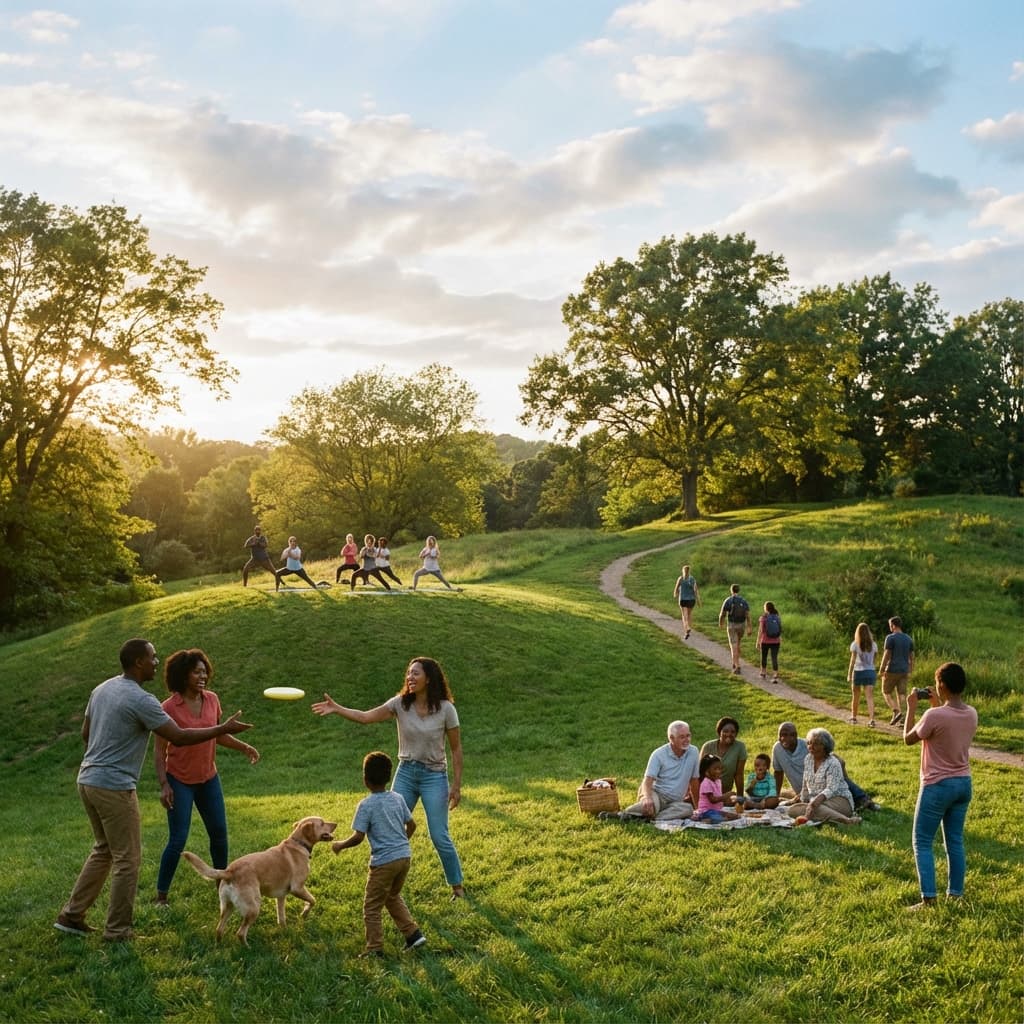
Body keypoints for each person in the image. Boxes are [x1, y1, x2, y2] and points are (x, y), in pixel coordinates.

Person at [54, 639, 252, 942]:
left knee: (104, 850)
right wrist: (222, 728)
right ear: (138, 663)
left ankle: (71, 916)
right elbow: (180, 737)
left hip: (87, 780)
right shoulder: (142, 700)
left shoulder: (102, 688)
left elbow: (85, 733)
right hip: (114, 786)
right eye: (152, 658)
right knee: (127, 858)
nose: (156, 663)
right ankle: (118, 930)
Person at [312, 657, 465, 899]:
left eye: (416, 673)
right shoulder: (400, 704)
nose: (410, 677)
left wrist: (456, 785)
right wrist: (337, 708)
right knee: (389, 826)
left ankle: (457, 887)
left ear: (429, 678)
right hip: (406, 772)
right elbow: (365, 717)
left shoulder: (446, 709)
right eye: (408, 673)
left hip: (434, 776)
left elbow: (456, 749)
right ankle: (389, 881)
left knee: (439, 834)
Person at [153, 649, 260, 906]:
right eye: (196, 671)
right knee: (178, 838)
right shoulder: (168, 707)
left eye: (204, 671)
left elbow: (219, 734)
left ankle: (222, 889)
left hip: (208, 778)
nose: (202, 676)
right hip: (179, 780)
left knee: (219, 833)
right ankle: (161, 896)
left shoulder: (211, 699)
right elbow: (159, 751)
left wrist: (244, 746)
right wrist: (164, 784)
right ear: (182, 675)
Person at [331, 751, 427, 956]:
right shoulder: (398, 798)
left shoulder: (366, 805)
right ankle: (413, 935)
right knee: (391, 896)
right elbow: (412, 825)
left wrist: (340, 845)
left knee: (371, 906)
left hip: (384, 862)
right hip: (404, 857)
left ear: (365, 780)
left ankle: (374, 949)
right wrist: (400, 844)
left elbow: (358, 837)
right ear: (389, 777)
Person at [903, 662, 977, 910]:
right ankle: (955, 895)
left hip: (937, 785)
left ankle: (928, 899)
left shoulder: (933, 716)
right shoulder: (971, 713)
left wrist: (911, 707)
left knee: (922, 841)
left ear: (941, 685)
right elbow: (947, 731)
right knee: (954, 840)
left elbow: (908, 739)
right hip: (963, 783)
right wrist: (935, 706)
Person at [772, 721, 878, 811]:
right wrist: (775, 797)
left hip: (824, 786)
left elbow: (839, 761)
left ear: (795, 735)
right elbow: (778, 773)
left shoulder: (808, 745)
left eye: (787, 735)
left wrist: (843, 778)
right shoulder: (777, 749)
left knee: (838, 791)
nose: (783, 738)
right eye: (781, 735)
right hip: (806, 791)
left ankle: (862, 798)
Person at [609, 721, 700, 822]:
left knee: (688, 809)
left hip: (674, 802)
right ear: (671, 738)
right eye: (682, 737)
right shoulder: (658, 754)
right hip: (655, 794)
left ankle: (649, 818)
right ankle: (621, 814)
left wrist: (698, 809)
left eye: (688, 736)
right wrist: (647, 798)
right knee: (651, 806)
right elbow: (647, 780)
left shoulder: (694, 752)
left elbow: (694, 781)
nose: (686, 740)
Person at [783, 728, 861, 825]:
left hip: (839, 800)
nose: (811, 747)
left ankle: (847, 821)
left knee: (816, 808)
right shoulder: (808, 759)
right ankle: (832, 817)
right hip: (817, 802)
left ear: (825, 746)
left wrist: (814, 803)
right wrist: (805, 800)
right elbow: (805, 784)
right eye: (809, 743)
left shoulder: (833, 763)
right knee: (792, 811)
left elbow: (831, 788)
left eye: (815, 744)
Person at [699, 717, 747, 803]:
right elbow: (700, 772)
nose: (729, 734)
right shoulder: (708, 746)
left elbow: (739, 774)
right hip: (707, 792)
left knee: (735, 802)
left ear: (736, 734)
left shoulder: (740, 747)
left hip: (724, 793)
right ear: (719, 732)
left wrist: (740, 798)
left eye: (733, 732)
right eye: (725, 731)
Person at [879, 616, 915, 725]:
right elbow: (912, 657)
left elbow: (887, 655)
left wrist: (881, 669)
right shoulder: (909, 639)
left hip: (892, 669)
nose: (890, 627)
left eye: (890, 625)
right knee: (902, 694)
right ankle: (904, 717)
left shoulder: (890, 638)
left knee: (886, 692)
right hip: (904, 670)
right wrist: (910, 669)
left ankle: (896, 710)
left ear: (893, 625)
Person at [847, 622, 878, 726]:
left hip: (858, 671)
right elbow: (874, 660)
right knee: (869, 697)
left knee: (856, 696)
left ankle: (854, 717)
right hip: (870, 672)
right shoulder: (874, 645)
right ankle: (872, 720)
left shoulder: (855, 644)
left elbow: (852, 661)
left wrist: (849, 674)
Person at [694, 754, 740, 822]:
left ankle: (719, 818)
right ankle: (702, 818)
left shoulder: (718, 781)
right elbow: (713, 800)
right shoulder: (706, 783)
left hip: (716, 811)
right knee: (718, 818)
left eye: (720, 768)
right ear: (706, 772)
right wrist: (727, 795)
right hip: (706, 811)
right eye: (715, 769)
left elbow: (719, 797)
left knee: (735, 816)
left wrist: (730, 799)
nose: (718, 771)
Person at [718, 584, 751, 674]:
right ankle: (735, 661)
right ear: (739, 590)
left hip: (732, 625)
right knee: (738, 643)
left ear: (731, 591)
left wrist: (721, 623)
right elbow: (748, 615)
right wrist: (749, 627)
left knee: (733, 645)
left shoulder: (728, 600)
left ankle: (737, 665)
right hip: (742, 625)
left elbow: (722, 614)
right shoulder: (743, 601)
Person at [673, 564, 701, 640]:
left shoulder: (681, 578)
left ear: (683, 571)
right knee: (689, 615)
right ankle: (687, 631)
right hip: (691, 600)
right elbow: (695, 591)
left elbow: (676, 588)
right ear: (689, 571)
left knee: (684, 615)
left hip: (683, 600)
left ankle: (687, 628)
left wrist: (675, 594)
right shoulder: (692, 579)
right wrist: (698, 601)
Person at [756, 601, 782, 683]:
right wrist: (779, 638)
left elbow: (760, 631)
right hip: (776, 641)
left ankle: (763, 672)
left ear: (766, 608)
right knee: (774, 657)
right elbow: (780, 629)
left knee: (764, 656)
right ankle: (775, 673)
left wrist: (758, 641)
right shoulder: (777, 617)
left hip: (765, 641)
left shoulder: (763, 618)